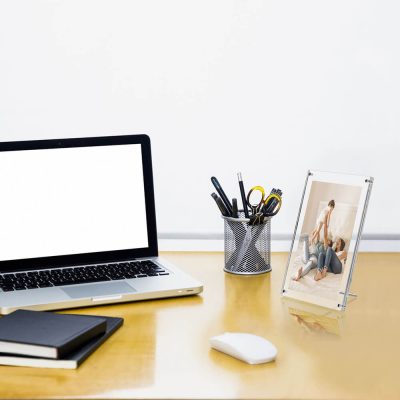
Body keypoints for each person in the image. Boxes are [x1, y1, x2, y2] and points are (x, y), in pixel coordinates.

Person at [294, 210, 346, 281]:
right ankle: (318, 273)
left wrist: (332, 252)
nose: (336, 242)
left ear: (341, 245)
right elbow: (321, 235)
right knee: (321, 254)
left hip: (337, 268)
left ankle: (324, 271)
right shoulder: (329, 250)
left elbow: (339, 257)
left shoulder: (342, 251)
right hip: (329, 266)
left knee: (329, 250)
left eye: (338, 242)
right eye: (336, 241)